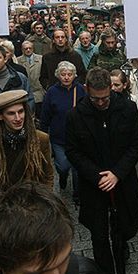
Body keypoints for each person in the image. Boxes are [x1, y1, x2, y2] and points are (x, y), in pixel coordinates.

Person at [65, 67, 138, 274]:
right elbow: (73, 151)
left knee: (127, 226)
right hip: (94, 185)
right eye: (95, 99)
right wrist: (97, 175)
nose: (100, 103)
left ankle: (122, 246)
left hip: (123, 182)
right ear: (87, 90)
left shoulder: (127, 109)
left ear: (111, 89)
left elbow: (136, 143)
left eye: (105, 98)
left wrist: (117, 173)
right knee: (99, 236)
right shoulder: (75, 115)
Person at [0, 90, 53, 193]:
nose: (18, 118)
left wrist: (42, 199)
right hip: (0, 200)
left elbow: (48, 174)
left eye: (20, 111)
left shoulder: (40, 139)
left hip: (30, 200)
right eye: (11, 113)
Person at [40, 62, 85, 201]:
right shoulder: (52, 92)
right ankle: (63, 177)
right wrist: (43, 134)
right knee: (63, 166)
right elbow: (45, 114)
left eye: (69, 74)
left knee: (78, 168)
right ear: (58, 76)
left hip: (78, 137)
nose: (66, 77)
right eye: (63, 74)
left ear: (74, 75)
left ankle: (78, 194)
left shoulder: (81, 90)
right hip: (59, 137)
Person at [17, 40, 45, 118]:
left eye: (30, 48)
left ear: (33, 49)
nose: (28, 50)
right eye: (26, 49)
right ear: (22, 50)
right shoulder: (17, 61)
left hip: (39, 91)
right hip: (25, 93)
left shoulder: (41, 59)